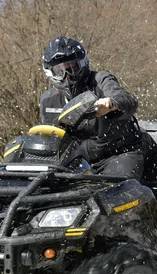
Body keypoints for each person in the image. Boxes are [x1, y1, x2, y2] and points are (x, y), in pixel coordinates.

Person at [40, 36, 145, 180]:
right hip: (77, 161)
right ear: (50, 73)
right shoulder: (48, 100)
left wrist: (111, 103)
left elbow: (128, 101)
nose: (68, 76)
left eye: (72, 68)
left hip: (119, 153)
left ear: (83, 64)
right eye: (60, 72)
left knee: (117, 189)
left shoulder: (101, 80)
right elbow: (52, 141)